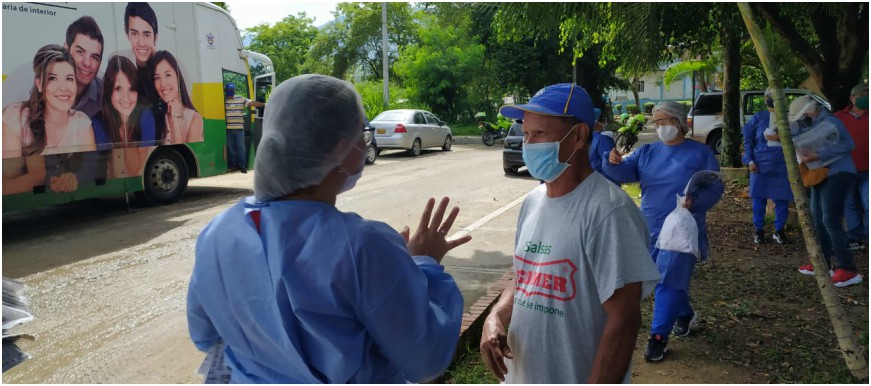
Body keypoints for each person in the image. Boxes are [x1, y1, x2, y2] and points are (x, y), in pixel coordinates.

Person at [187, 74, 470, 383]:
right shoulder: (365, 246)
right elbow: (425, 358)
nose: (366, 143)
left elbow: (204, 334)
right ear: (340, 150)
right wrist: (422, 264)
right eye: (361, 134)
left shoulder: (217, 232)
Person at [480, 83, 660, 383]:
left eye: (539, 134)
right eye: (526, 134)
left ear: (578, 136)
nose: (529, 144)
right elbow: (526, 274)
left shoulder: (609, 212)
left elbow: (624, 321)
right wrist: (496, 315)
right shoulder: (533, 202)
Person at [602, 101, 724, 362]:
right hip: (650, 227)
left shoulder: (700, 154)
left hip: (682, 229)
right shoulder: (646, 152)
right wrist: (612, 161)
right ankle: (684, 314)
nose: (660, 126)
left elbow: (714, 187)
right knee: (660, 278)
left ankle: (658, 336)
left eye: (665, 120)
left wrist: (696, 202)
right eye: (656, 122)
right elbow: (625, 172)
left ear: (680, 122)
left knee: (667, 280)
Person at [790, 96, 862, 287]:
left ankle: (848, 269)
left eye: (804, 114)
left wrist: (818, 155)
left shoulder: (831, 121)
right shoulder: (809, 124)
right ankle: (822, 264)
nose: (803, 117)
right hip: (818, 174)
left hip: (839, 173)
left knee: (830, 220)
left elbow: (848, 145)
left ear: (812, 109)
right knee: (818, 219)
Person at [92, 55, 158, 178]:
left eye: (131, 89)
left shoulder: (145, 117)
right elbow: (104, 172)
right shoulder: (97, 123)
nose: (126, 98)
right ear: (109, 91)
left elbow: (135, 170)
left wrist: (125, 125)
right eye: (118, 89)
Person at [742, 89, 794, 244]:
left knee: (782, 199)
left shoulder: (789, 118)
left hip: (783, 165)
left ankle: (779, 230)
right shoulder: (759, 118)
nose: (772, 99)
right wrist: (750, 161)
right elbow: (748, 140)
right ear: (765, 99)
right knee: (758, 199)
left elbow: (800, 138)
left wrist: (782, 138)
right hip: (760, 165)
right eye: (769, 96)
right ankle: (758, 230)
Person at [834, 83, 869, 251]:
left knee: (868, 203)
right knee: (850, 204)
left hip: (868, 170)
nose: (866, 98)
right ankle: (855, 237)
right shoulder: (839, 117)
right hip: (846, 169)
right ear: (852, 98)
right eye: (862, 95)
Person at [150, 50, 203, 144]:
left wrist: (176, 119)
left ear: (178, 77)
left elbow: (184, 153)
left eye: (168, 75)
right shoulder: (157, 116)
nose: (163, 84)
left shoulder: (194, 118)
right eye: (157, 78)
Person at [63, 16, 105, 118]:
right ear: (65, 49)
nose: (87, 63)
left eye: (94, 57)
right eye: (80, 52)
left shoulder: (104, 97)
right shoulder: (41, 85)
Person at [224, 83, 265, 173]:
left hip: (239, 128)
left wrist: (264, 104)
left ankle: (242, 166)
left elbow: (252, 103)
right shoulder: (223, 100)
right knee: (230, 148)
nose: (230, 92)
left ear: (234, 91)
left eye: (232, 90)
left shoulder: (240, 98)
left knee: (240, 148)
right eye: (228, 91)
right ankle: (232, 166)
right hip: (228, 129)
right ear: (225, 91)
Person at [589, 107, 618, 184]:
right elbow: (612, 167)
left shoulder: (582, 138)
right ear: (596, 122)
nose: (603, 123)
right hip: (605, 184)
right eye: (602, 121)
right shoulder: (603, 140)